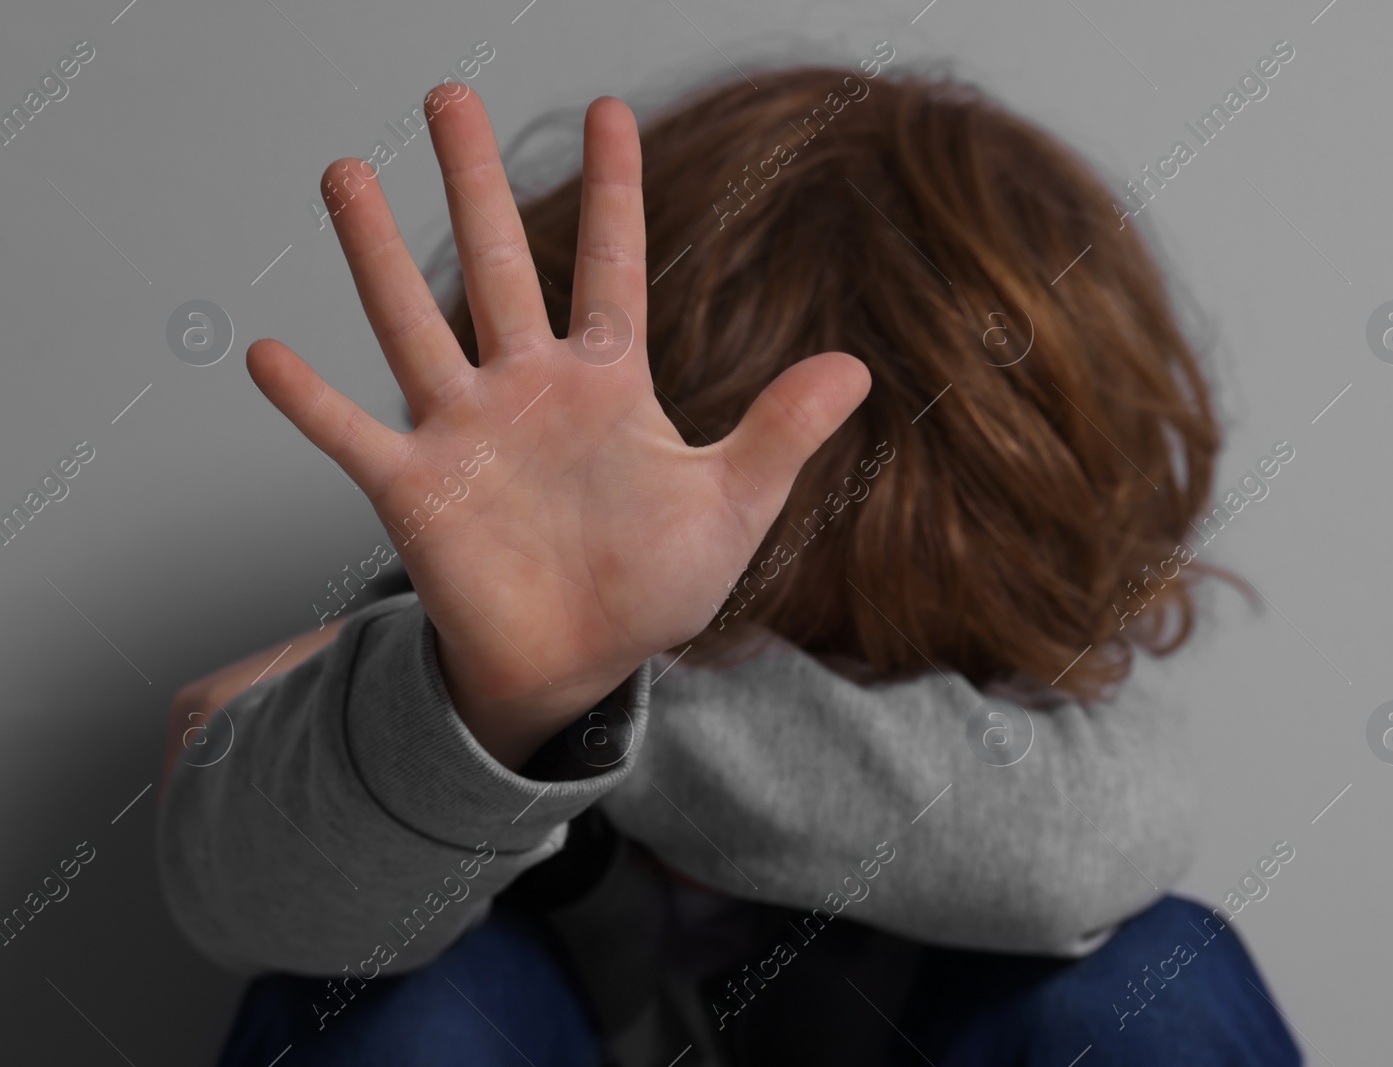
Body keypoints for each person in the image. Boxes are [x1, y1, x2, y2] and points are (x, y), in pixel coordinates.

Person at [158, 63, 1302, 1066]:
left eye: (851, 652)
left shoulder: (1046, 699)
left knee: (1155, 977)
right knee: (411, 1008)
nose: (785, 653)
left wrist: (589, 693)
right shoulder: (454, 636)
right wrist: (489, 698)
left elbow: (1064, 855)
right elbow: (248, 901)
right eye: (740, 619)